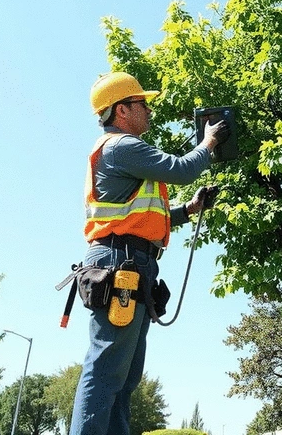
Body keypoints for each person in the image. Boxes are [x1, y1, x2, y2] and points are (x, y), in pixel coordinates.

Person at [70, 71, 228, 435]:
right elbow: (181, 170)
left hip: (129, 262)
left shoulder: (122, 152)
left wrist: (189, 210)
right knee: (107, 369)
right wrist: (208, 142)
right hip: (119, 263)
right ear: (122, 110)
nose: (149, 110)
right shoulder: (121, 147)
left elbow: (140, 219)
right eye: (142, 103)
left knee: (124, 378)